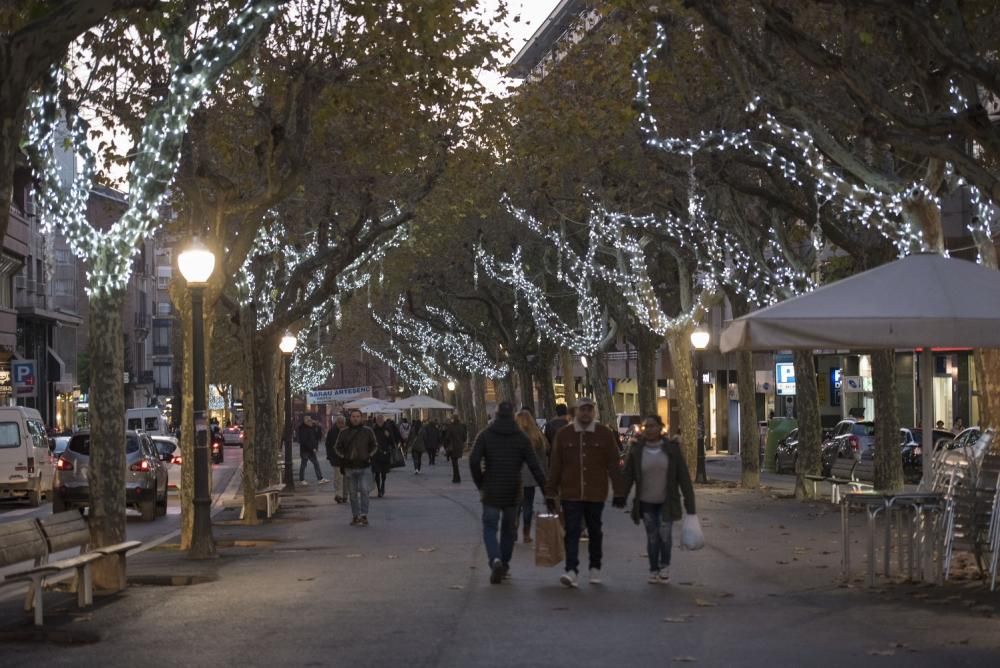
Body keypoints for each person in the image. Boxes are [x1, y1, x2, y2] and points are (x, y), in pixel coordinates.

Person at [544, 397, 626, 588]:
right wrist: (550, 492)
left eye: (589, 409)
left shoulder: (604, 434)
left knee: (595, 531)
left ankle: (595, 567)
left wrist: (619, 491)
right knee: (571, 530)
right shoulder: (564, 434)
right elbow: (555, 465)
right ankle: (571, 570)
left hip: (596, 492)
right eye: (582, 409)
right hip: (570, 492)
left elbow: (613, 464)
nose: (586, 413)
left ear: (594, 412)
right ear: (576, 412)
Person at [470, 401, 546, 584]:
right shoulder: (521, 438)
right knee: (508, 530)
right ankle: (504, 563)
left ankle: (494, 559)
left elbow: (474, 460)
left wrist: (481, 482)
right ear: (513, 415)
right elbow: (535, 466)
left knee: (489, 527)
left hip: (491, 489)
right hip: (513, 490)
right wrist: (546, 491)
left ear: (496, 415)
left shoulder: (486, 435)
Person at [622, 415, 696, 585]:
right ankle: (653, 569)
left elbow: (683, 477)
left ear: (660, 428)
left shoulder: (671, 449)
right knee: (652, 536)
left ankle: (664, 567)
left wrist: (690, 504)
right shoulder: (637, 450)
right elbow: (628, 475)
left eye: (652, 426)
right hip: (646, 501)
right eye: (646, 426)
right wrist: (622, 495)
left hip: (666, 501)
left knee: (665, 535)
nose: (649, 429)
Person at [334, 409, 378, 526]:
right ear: (350, 418)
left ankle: (364, 515)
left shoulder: (367, 431)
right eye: (353, 416)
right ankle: (355, 515)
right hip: (350, 467)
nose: (355, 418)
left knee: (364, 490)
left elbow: (375, 445)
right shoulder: (344, 432)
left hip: (364, 466)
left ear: (361, 418)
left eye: (358, 416)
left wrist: (369, 456)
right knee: (352, 493)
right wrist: (344, 456)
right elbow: (337, 447)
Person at [515, 409, 548, 544]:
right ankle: (526, 534)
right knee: (528, 504)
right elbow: (543, 456)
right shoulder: (537, 436)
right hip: (530, 476)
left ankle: (513, 529)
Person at [297, 415, 328, 486]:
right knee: (304, 465)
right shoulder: (303, 429)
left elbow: (317, 436)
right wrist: (312, 448)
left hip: (311, 450)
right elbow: (304, 441)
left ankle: (320, 478)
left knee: (316, 463)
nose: (311, 421)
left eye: (311, 420)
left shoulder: (311, 427)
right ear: (305, 421)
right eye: (309, 420)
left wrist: (318, 427)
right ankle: (302, 479)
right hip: (305, 450)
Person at [371, 415, 395, 497]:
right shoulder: (373, 429)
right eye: (378, 420)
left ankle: (383, 485)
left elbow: (392, 442)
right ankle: (379, 490)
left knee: (383, 473)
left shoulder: (387, 429)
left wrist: (388, 436)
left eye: (381, 420)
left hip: (385, 454)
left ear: (383, 420)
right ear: (376, 421)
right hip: (376, 454)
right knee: (377, 473)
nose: (380, 421)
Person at [325, 415, 346, 503]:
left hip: (346, 458)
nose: (341, 425)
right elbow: (328, 444)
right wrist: (330, 456)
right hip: (336, 458)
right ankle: (338, 494)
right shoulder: (332, 431)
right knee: (338, 477)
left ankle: (344, 494)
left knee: (346, 478)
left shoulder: (347, 431)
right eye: (339, 423)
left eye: (342, 423)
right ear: (336, 423)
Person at [445, 414, 469, 484]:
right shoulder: (461, 426)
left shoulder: (450, 427)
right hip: (459, 446)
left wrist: (447, 444)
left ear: (453, 419)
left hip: (453, 447)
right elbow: (464, 437)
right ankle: (456, 477)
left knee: (454, 463)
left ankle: (456, 478)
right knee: (455, 462)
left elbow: (447, 437)